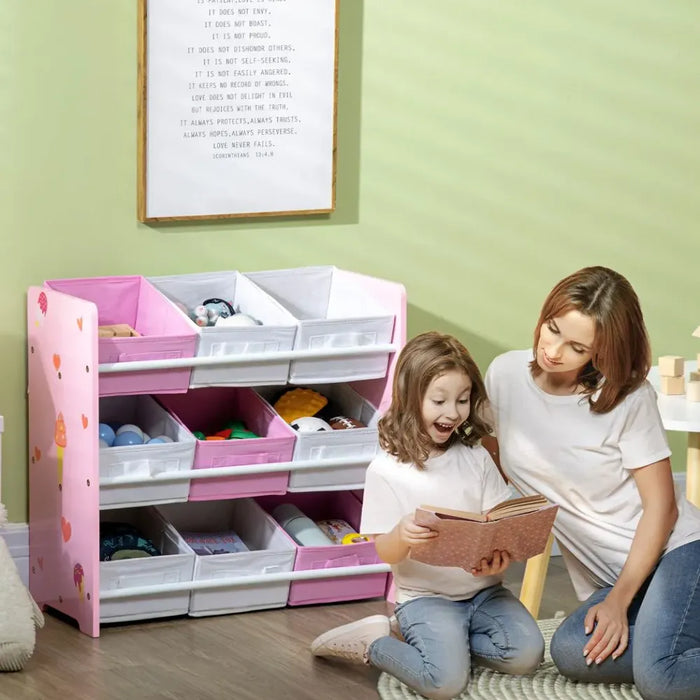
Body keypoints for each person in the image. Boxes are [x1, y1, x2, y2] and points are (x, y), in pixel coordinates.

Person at [483, 266, 700, 700]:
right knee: (570, 651)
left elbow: (663, 509)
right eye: (552, 328)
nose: (553, 350)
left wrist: (618, 601)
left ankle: (668, 645)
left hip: (677, 553)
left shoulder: (627, 398)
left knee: (661, 679)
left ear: (602, 351)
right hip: (612, 574)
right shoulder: (505, 375)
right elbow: (491, 466)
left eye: (577, 346)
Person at [310, 332, 544, 700]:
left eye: (463, 400)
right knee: (444, 682)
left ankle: (449, 642)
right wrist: (402, 535)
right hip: (425, 597)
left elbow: (496, 524)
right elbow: (385, 552)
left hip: (485, 594)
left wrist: (501, 556)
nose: (453, 412)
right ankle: (376, 641)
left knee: (526, 655)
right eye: (439, 400)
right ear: (410, 398)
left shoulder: (475, 456)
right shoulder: (388, 470)